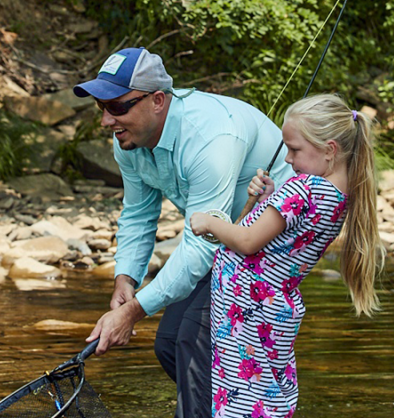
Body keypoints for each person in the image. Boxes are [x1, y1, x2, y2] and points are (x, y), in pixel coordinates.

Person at [73, 47, 294, 417]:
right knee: (171, 342)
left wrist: (133, 313)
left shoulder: (209, 138)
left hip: (274, 236)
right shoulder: (128, 140)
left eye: (117, 107)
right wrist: (125, 279)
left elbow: (201, 247)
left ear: (157, 100)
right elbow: (139, 213)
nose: (106, 121)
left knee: (193, 339)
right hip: (223, 236)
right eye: (101, 107)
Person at [190, 94, 384, 418]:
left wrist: (210, 222)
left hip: (246, 311)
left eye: (295, 150)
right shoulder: (339, 199)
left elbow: (248, 240)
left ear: (329, 150)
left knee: (241, 402)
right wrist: (267, 198)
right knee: (267, 396)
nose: (289, 159)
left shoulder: (303, 188)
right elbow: (279, 239)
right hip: (273, 312)